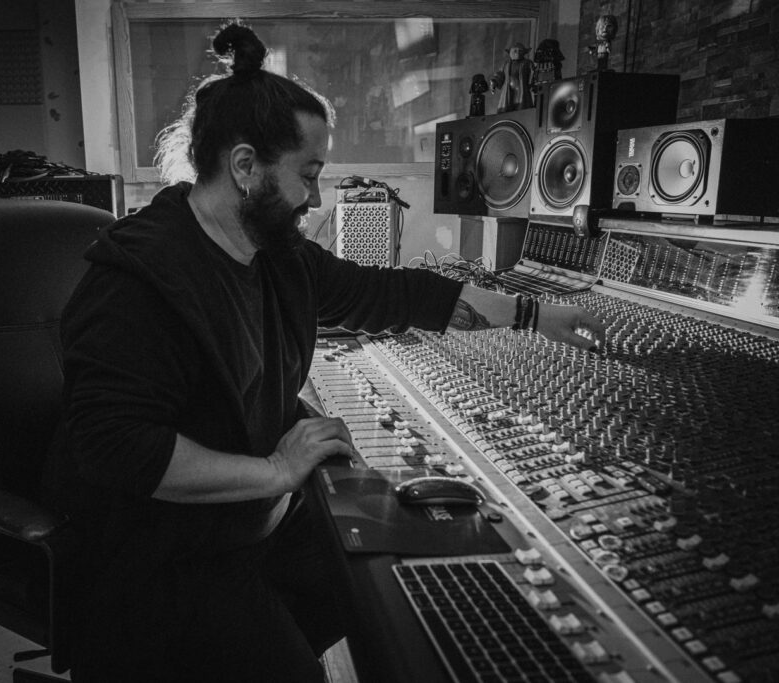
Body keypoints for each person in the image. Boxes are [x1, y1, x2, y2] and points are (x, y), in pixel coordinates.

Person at [48, 22, 606, 683]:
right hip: (162, 559)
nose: (315, 198)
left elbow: (386, 293)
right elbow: (117, 448)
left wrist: (534, 314)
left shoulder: (273, 256)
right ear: (245, 167)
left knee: (396, 576)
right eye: (307, 175)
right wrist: (276, 470)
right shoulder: (138, 281)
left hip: (248, 525)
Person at [489, 42, 535, 112]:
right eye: (515, 51)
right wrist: (494, 81)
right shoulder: (506, 64)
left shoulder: (528, 63)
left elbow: (533, 74)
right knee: (507, 107)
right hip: (508, 91)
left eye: (520, 51)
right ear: (510, 52)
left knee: (522, 107)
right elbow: (500, 74)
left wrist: (533, 84)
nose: (517, 53)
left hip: (522, 90)